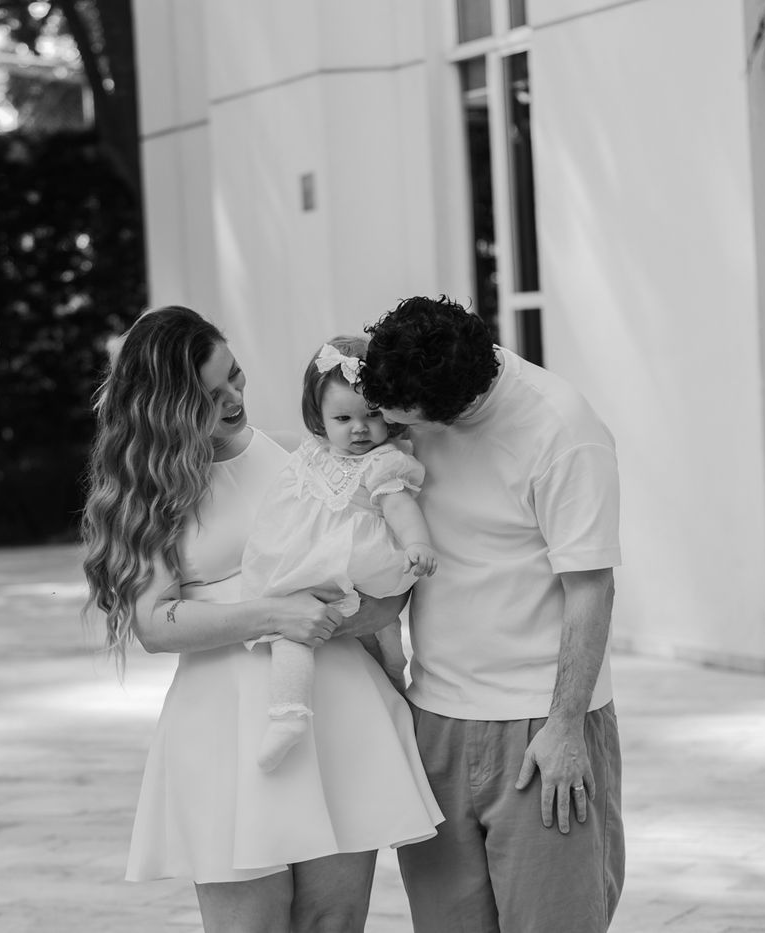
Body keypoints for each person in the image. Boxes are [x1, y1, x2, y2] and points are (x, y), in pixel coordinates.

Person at [81, 306, 444, 933]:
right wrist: (274, 614)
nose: (233, 399)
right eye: (208, 395)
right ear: (165, 406)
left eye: (235, 375)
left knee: (334, 920)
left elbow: (375, 565)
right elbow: (155, 625)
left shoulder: (296, 453)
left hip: (336, 707)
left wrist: (367, 612)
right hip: (225, 726)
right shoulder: (149, 488)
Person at [359, 295, 625, 933]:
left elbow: (591, 587)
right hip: (434, 720)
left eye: (400, 417)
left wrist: (565, 728)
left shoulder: (563, 431)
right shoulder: (402, 387)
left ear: (454, 410)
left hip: (538, 727)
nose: (382, 424)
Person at [241, 336, 438, 772]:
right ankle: (289, 714)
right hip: (317, 566)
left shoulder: (385, 461)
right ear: (320, 417)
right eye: (343, 418)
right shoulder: (313, 452)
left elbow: (399, 507)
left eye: (372, 415)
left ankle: (394, 696)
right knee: (293, 630)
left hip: (361, 563)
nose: (359, 429)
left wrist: (417, 543)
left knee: (382, 640)